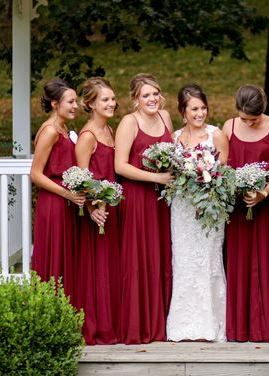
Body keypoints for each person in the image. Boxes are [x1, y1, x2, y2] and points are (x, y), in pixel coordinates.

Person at [223, 84, 269, 342]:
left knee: (265, 263)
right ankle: (238, 328)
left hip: (265, 208)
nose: (248, 124)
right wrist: (233, 187)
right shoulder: (229, 126)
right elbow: (223, 165)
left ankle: (264, 328)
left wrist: (263, 193)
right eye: (244, 119)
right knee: (238, 262)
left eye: (254, 119)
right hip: (238, 209)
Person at [166, 83, 229, 342]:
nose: (200, 113)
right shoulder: (175, 138)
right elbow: (171, 174)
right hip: (182, 209)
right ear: (183, 111)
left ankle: (211, 325)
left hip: (208, 209)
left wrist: (206, 182)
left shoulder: (217, 135)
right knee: (183, 262)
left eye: (203, 108)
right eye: (194, 109)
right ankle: (182, 326)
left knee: (208, 262)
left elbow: (224, 174)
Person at [114, 73, 174, 344]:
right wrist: (155, 178)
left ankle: (159, 324)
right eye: (146, 95)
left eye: (155, 93)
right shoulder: (129, 122)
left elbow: (172, 156)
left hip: (161, 200)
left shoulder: (165, 117)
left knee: (159, 255)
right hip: (138, 197)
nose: (152, 99)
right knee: (139, 258)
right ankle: (138, 326)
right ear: (135, 99)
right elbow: (120, 166)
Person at [30, 78, 85, 302]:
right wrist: (66, 193)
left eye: (75, 101)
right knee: (54, 259)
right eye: (70, 102)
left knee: (66, 259)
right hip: (53, 204)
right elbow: (35, 174)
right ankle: (49, 313)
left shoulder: (64, 130)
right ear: (55, 104)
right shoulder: (50, 131)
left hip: (67, 203)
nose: (75, 106)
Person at [74, 77, 120, 345]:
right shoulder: (88, 136)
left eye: (113, 99)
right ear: (91, 103)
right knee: (98, 271)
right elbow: (80, 179)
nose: (111, 103)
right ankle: (98, 327)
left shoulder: (110, 131)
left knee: (112, 269)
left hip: (113, 208)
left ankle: (112, 323)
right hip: (97, 214)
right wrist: (92, 208)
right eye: (105, 99)